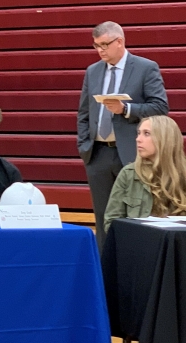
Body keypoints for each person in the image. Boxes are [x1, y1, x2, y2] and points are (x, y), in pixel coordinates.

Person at [77, 21, 169, 249]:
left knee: (133, 215)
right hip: (97, 154)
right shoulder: (93, 71)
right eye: (96, 46)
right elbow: (84, 112)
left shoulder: (145, 67)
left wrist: (126, 109)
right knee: (102, 217)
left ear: (120, 42)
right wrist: (84, 144)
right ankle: (104, 275)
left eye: (105, 44)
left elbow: (160, 107)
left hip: (131, 154)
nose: (101, 50)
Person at [104, 115, 186, 231]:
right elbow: (111, 222)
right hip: (139, 244)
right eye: (138, 133)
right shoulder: (129, 174)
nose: (138, 139)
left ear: (164, 138)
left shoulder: (183, 174)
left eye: (146, 133)